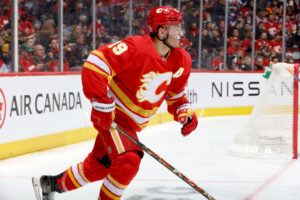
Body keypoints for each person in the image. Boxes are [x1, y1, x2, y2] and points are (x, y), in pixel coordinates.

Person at [37, 6, 198, 200]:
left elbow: (175, 94)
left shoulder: (182, 60)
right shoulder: (137, 47)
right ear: (162, 31)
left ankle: (50, 184)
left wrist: (184, 111)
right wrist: (101, 102)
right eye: (176, 28)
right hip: (112, 116)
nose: (181, 33)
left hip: (130, 125)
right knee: (128, 160)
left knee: (97, 168)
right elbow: (96, 63)